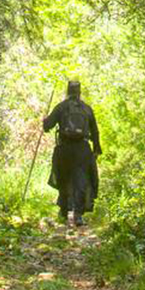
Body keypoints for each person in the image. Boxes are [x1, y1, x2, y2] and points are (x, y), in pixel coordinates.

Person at [43, 80, 101, 226]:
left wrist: (45, 121)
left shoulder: (61, 107)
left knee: (63, 177)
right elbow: (95, 131)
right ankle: (78, 215)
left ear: (68, 91)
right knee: (81, 178)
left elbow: (47, 126)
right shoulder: (87, 109)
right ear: (79, 92)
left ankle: (63, 211)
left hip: (64, 148)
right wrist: (96, 149)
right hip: (82, 148)